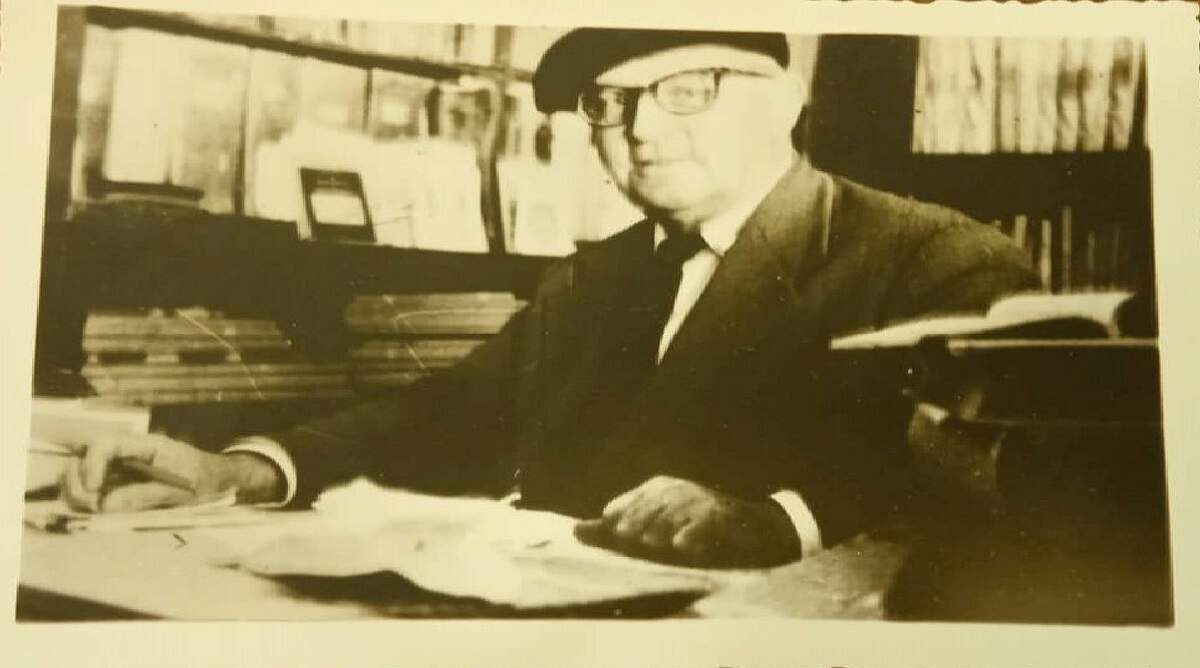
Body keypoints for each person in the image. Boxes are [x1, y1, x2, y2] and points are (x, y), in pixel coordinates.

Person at [62, 28, 1037, 568]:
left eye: (687, 89)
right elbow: (442, 416)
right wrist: (239, 467)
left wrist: (781, 520)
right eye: (610, 104)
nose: (641, 129)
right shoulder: (595, 275)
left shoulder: (936, 260)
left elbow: (995, 489)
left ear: (783, 103)